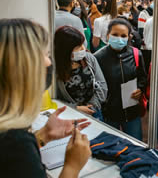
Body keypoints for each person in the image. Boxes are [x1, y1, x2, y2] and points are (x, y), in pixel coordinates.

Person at [0, 18, 91, 178]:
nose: (49, 61)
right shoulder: (15, 143)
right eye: (46, 54)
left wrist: (44, 136)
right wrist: (73, 165)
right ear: (24, 67)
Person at [94, 18, 147, 141]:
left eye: (123, 35)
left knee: (135, 144)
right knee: (110, 146)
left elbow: (142, 77)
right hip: (109, 113)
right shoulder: (98, 57)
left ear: (129, 37)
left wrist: (140, 89)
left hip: (132, 111)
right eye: (115, 34)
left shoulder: (136, 54)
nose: (119, 38)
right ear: (107, 35)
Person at [54, 26, 108, 121]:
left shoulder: (89, 58)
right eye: (78, 47)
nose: (83, 48)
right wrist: (76, 109)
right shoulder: (55, 69)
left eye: (82, 44)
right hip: (68, 115)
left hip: (93, 112)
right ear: (65, 50)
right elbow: (53, 99)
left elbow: (102, 85)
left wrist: (91, 107)